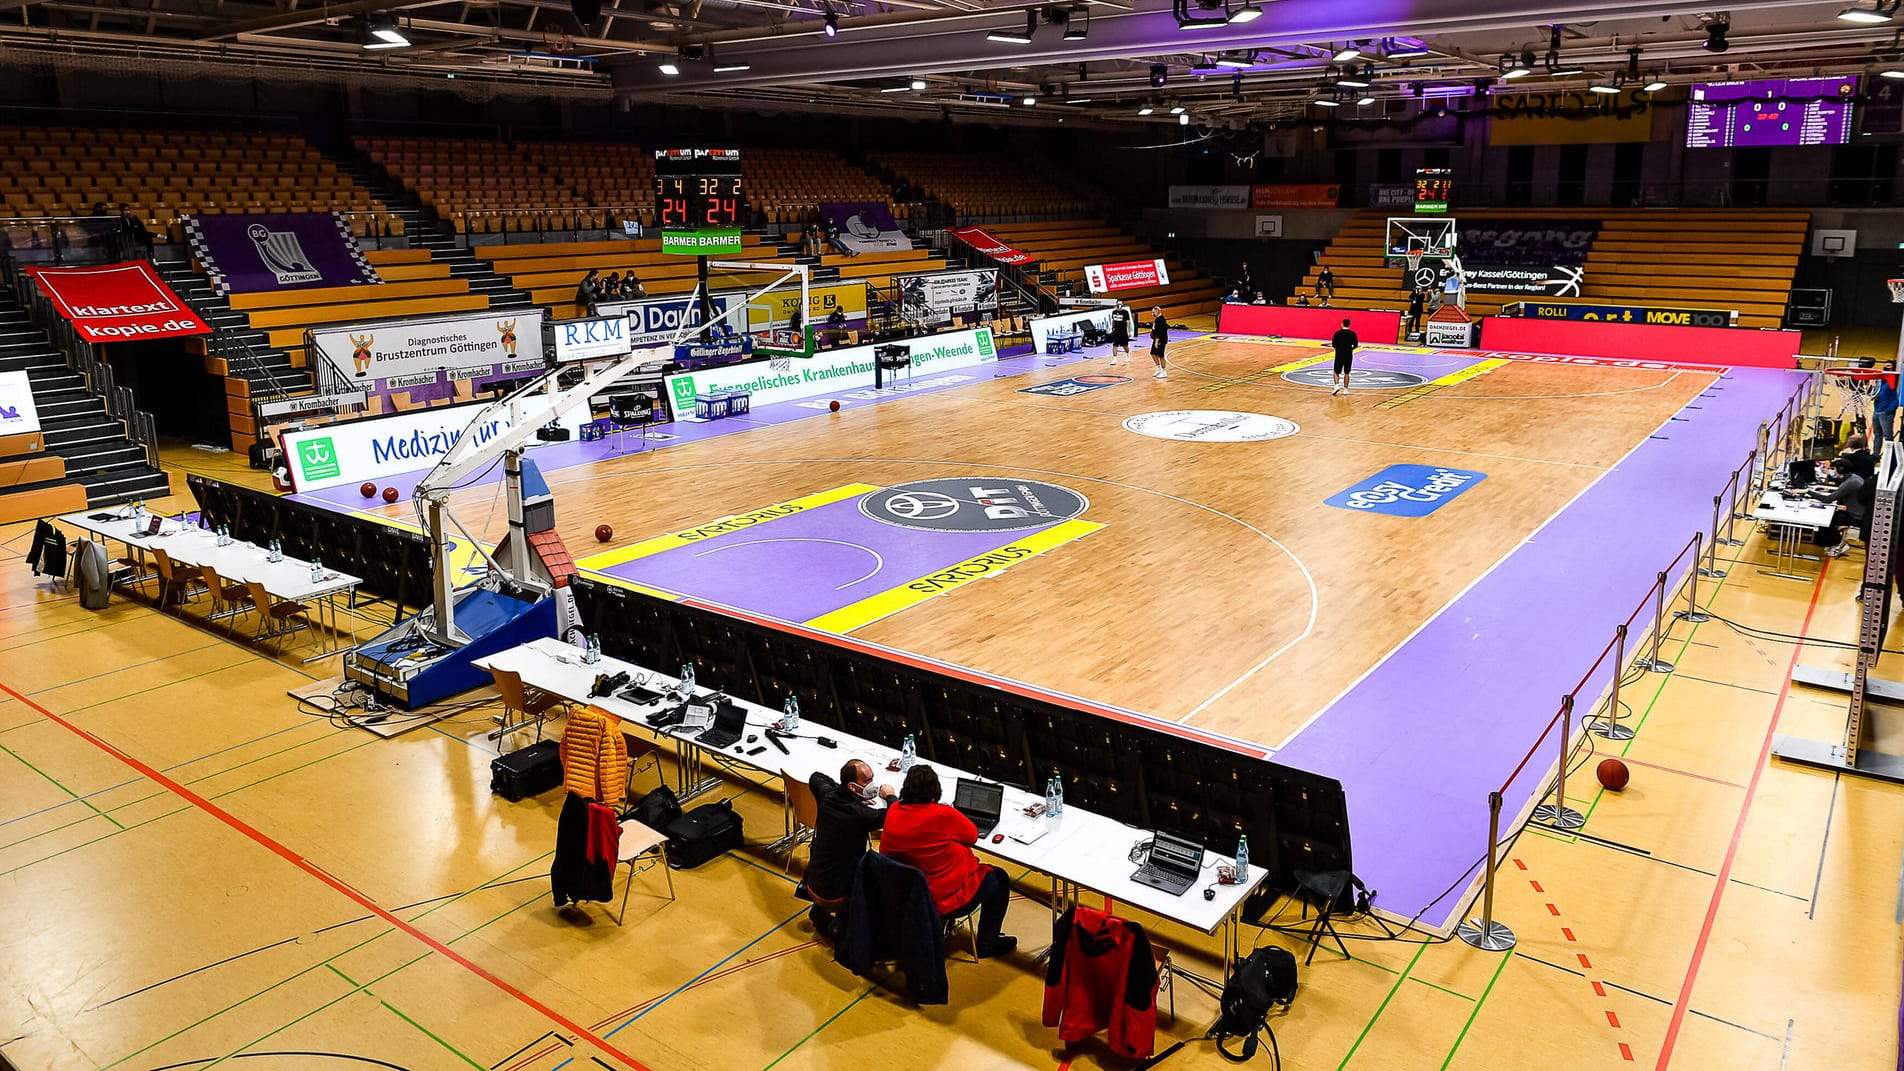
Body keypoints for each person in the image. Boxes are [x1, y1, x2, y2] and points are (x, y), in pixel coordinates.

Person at [879, 765, 1016, 959]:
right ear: (935, 791)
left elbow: (895, 805)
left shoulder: (893, 811)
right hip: (941, 900)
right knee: (999, 878)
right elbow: (972, 835)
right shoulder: (942, 814)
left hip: (905, 895)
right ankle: (988, 942)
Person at [803, 759, 896, 937]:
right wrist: (890, 795)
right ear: (852, 786)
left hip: (813, 881)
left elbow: (816, 777)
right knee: (881, 886)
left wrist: (854, 798)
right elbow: (894, 815)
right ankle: (843, 922)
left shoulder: (827, 795)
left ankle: (820, 912)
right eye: (867, 781)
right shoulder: (861, 815)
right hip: (835, 894)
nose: (872, 785)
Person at [1810, 454, 1869, 557]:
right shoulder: (1854, 477)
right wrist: (1831, 490)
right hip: (1860, 511)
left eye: (1833, 469)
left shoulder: (1850, 483)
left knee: (1827, 519)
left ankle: (1837, 543)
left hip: (1856, 516)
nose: (1832, 471)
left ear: (1840, 470)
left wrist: (1807, 491)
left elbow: (1827, 499)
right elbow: (1842, 490)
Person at [1330, 317, 1358, 396]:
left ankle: (1336, 386)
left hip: (1339, 354)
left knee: (1336, 371)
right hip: (1348, 354)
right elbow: (1355, 345)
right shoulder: (1352, 334)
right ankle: (1345, 389)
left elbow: (1334, 344)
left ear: (1342, 323)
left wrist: (1339, 348)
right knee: (1347, 372)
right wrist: (1350, 349)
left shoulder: (1337, 333)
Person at [1874, 365, 1898, 452]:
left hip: (1885, 412)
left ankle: (1889, 455)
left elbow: (1895, 400)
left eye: (1889, 365)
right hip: (1876, 410)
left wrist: (1888, 411)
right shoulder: (1878, 382)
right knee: (1877, 434)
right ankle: (1875, 454)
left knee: (1887, 436)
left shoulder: (1891, 384)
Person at [1148, 306, 1170, 380]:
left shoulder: (1160, 319)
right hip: (1156, 339)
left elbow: (1160, 332)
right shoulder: (1157, 319)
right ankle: (1159, 368)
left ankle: (1164, 372)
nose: (1152, 314)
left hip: (1161, 340)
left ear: (1158, 311)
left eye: (1153, 312)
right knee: (1152, 353)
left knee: (1161, 355)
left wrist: (1156, 341)